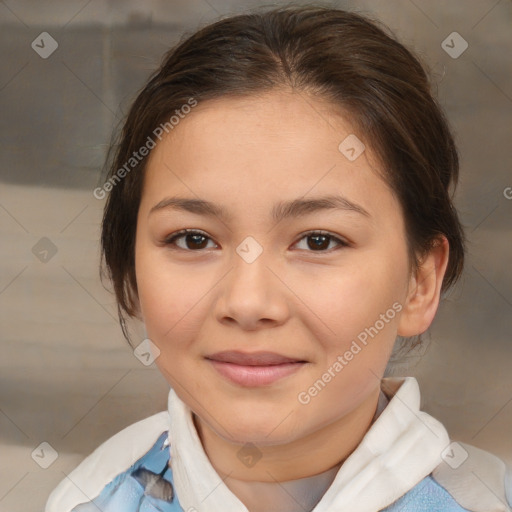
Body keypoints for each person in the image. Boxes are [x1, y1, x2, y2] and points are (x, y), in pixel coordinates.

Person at [45, 4, 512, 511]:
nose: (248, 303)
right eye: (194, 239)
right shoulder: (88, 499)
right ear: (130, 272)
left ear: (419, 283)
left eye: (318, 241)